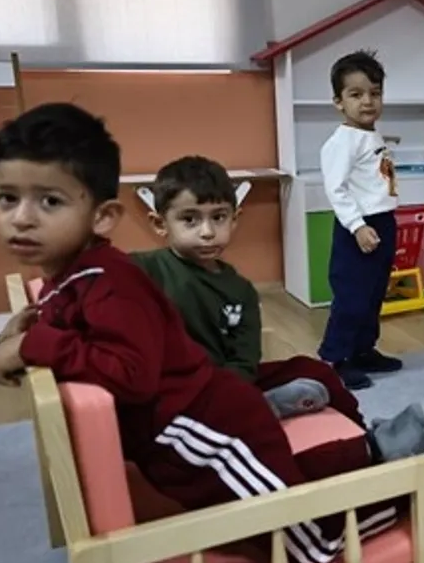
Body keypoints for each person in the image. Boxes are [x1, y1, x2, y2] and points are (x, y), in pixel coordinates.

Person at [0, 103, 424, 563]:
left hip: (207, 427)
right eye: (8, 199)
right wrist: (31, 321)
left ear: (103, 217)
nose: (23, 219)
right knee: (287, 486)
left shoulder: (115, 280)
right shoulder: (85, 274)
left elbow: (133, 374)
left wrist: (31, 345)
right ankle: (383, 446)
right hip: (201, 419)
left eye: (50, 202)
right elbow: (72, 307)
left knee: (313, 545)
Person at [132, 154, 364, 422]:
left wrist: (229, 392)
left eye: (219, 217)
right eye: (190, 220)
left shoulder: (241, 291)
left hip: (221, 385)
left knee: (316, 371)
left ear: (234, 219)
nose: (207, 232)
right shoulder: (141, 269)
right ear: (160, 224)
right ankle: (256, 409)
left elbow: (244, 361)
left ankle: (369, 435)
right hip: (170, 391)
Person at [317, 49, 403, 390]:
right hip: (358, 228)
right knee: (352, 297)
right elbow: (336, 189)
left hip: (381, 222)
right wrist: (357, 226)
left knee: (373, 294)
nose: (367, 101)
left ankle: (363, 350)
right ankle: (335, 358)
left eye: (375, 93)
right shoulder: (342, 142)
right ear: (338, 102)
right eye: (356, 94)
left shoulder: (370, 135)